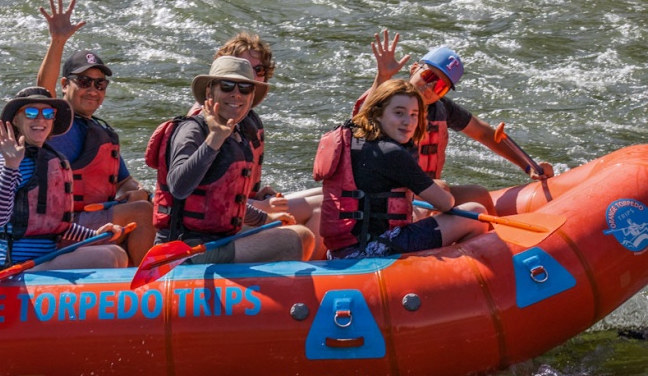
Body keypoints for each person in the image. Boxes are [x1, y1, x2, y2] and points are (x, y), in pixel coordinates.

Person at [360, 29, 554, 212]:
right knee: (442, 188)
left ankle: (491, 243)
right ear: (414, 69)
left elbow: (484, 133)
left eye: (441, 87)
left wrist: (528, 166)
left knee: (479, 195)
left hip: (428, 193)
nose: (431, 87)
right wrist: (382, 76)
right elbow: (358, 127)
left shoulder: (442, 109)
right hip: (391, 195)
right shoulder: (388, 99)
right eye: (428, 76)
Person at [148, 57, 315, 263]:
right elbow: (179, 187)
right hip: (184, 249)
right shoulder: (191, 130)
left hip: (218, 238)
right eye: (226, 86)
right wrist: (214, 140)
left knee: (294, 231)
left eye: (245, 88)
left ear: (251, 96)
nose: (236, 93)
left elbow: (225, 202)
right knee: (297, 239)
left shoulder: (238, 134)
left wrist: (265, 219)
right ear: (210, 93)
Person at [34, 0, 155, 265]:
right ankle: (148, 289)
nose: (92, 90)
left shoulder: (102, 134)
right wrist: (57, 41)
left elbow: (124, 181)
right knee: (143, 213)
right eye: (84, 81)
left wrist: (135, 191)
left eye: (100, 85)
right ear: (66, 84)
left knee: (148, 204)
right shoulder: (53, 122)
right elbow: (43, 91)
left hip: (96, 218)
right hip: (62, 226)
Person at [317, 79, 490, 260]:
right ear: (377, 114)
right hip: (373, 250)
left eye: (414, 114)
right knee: (474, 212)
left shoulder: (353, 139)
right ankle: (453, 277)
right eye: (399, 113)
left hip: (339, 251)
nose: (408, 122)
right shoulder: (391, 152)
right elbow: (445, 203)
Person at [0, 86, 127, 271]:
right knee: (107, 258)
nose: (40, 119)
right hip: (11, 266)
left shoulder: (52, 160)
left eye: (48, 113)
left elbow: (57, 226)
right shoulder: (6, 159)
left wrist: (94, 234)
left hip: (44, 259)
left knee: (116, 253)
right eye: (31, 112)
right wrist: (11, 166)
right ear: (16, 120)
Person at [196, 32, 321, 237]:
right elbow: (209, 196)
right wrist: (264, 207)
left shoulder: (246, 119)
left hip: (245, 207)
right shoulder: (209, 119)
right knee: (323, 206)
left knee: (328, 195)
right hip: (219, 219)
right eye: (241, 66)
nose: (250, 74)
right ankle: (312, 265)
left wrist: (257, 196)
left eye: (258, 69)